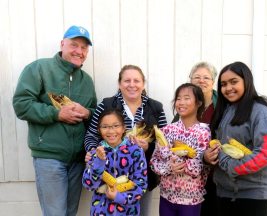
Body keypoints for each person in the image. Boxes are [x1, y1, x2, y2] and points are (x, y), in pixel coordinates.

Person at [12, 25, 97, 216]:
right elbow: (21, 104)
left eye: (84, 48)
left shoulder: (87, 80)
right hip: (49, 157)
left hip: (78, 160)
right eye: (74, 45)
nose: (79, 51)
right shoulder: (39, 68)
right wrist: (56, 114)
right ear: (62, 44)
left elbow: (96, 115)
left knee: (70, 212)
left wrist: (88, 113)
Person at [84, 64, 168, 216]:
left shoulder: (155, 107)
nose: (132, 85)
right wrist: (93, 153)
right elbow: (91, 135)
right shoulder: (106, 104)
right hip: (106, 174)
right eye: (127, 80)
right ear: (119, 83)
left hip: (141, 174)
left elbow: (164, 142)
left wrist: (148, 147)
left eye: (136, 81)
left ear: (143, 84)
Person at [208, 61, 267, 216]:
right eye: (223, 84)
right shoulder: (225, 111)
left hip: (253, 194)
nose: (228, 88)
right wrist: (208, 156)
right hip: (225, 192)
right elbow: (219, 145)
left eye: (234, 82)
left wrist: (228, 164)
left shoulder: (261, 112)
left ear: (246, 81)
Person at [150, 83, 211, 216]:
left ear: (199, 103)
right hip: (166, 196)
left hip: (191, 199)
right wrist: (168, 168)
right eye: (178, 98)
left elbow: (201, 167)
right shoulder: (167, 130)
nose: (181, 102)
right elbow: (154, 162)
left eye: (187, 98)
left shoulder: (204, 132)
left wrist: (179, 158)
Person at [172, 61, 218, 216]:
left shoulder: (222, 106)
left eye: (206, 77)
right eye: (197, 77)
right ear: (190, 80)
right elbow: (174, 140)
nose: (201, 80)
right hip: (188, 181)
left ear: (213, 82)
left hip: (215, 175)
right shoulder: (185, 105)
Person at [82, 109, 148, 215]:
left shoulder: (136, 151)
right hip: (101, 210)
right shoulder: (95, 153)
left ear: (123, 128)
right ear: (99, 130)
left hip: (128, 211)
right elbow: (89, 185)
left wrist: (119, 197)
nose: (111, 131)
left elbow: (141, 185)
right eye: (105, 127)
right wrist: (99, 162)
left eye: (116, 126)